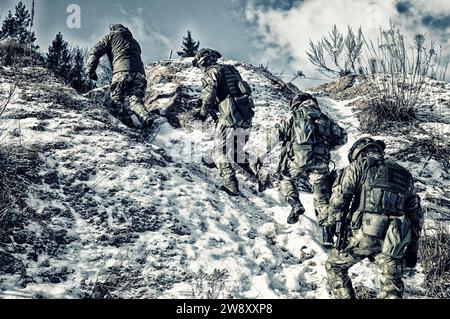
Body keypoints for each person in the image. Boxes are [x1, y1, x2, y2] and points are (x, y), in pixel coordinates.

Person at [325, 137, 424, 299]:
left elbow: (339, 199)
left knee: (335, 267)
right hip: (394, 239)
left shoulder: (358, 166)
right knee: (391, 288)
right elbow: (416, 215)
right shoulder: (404, 174)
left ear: (359, 153)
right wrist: (413, 249)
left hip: (363, 234)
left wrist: (331, 226)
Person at [257, 93, 347, 247]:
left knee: (285, 178)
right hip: (320, 162)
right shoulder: (325, 119)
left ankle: (295, 203)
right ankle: (326, 233)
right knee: (321, 197)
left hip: (296, 160)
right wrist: (326, 148)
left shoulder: (293, 116)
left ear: (297, 104)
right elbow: (343, 138)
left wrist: (259, 155)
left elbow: (274, 135)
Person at [193, 48, 258, 196]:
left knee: (219, 152)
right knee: (236, 152)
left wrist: (203, 112)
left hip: (229, 117)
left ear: (203, 61)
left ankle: (231, 185)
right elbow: (233, 90)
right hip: (245, 115)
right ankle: (260, 174)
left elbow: (210, 94)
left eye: (199, 64)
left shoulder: (211, 72)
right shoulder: (231, 69)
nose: (200, 67)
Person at [87, 24, 154, 129]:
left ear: (113, 30)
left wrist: (91, 70)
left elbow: (94, 51)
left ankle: (130, 127)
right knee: (135, 98)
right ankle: (145, 117)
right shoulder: (135, 42)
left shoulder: (111, 37)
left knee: (116, 102)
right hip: (139, 73)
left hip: (121, 72)